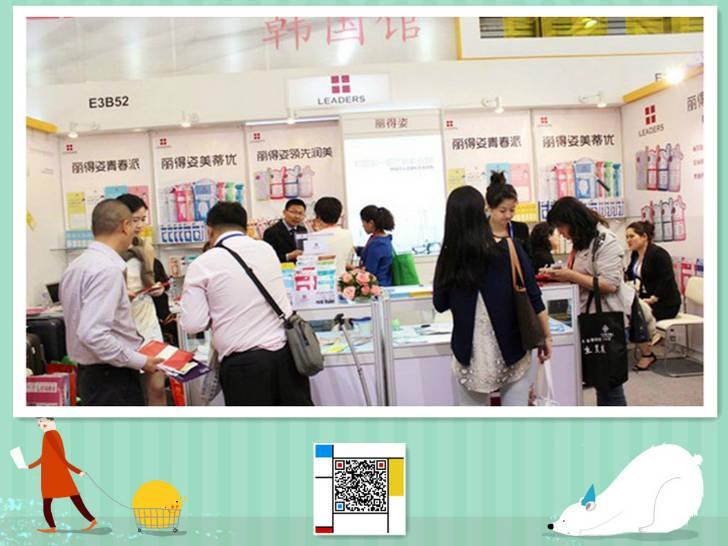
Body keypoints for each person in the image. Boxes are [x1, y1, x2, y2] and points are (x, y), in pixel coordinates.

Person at [179, 202, 313, 406]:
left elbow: (193, 324)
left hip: (244, 366)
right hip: (287, 357)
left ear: (210, 230)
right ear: (244, 226)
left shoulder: (203, 264)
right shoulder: (266, 250)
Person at [433, 186, 552, 407]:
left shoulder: (449, 259)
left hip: (470, 356)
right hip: (513, 349)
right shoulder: (510, 248)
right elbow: (534, 297)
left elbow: (439, 304)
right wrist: (547, 337)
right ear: (483, 211)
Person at [60, 200, 163, 406]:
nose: (137, 230)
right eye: (134, 223)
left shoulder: (77, 265)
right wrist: (141, 361)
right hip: (112, 378)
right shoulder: (107, 270)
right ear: (125, 226)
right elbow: (93, 334)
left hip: (90, 374)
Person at [541, 197, 633, 406]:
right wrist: (558, 275)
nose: (560, 233)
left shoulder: (605, 241)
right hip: (587, 317)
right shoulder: (582, 243)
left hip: (604, 319)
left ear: (573, 221)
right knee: (601, 381)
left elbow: (610, 284)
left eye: (561, 227)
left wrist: (569, 275)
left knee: (609, 384)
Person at [116, 194, 167, 406]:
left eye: (143, 219)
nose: (139, 225)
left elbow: (155, 280)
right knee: (128, 390)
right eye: (135, 220)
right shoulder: (110, 255)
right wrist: (121, 295)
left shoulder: (146, 249)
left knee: (157, 385)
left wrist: (157, 290)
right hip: (123, 326)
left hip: (148, 321)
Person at [625, 220, 681, 371]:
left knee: (636, 313)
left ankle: (647, 354)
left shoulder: (659, 254)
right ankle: (649, 340)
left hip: (665, 303)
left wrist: (654, 297)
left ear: (644, 237)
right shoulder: (635, 255)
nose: (628, 240)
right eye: (627, 237)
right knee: (630, 309)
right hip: (647, 299)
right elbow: (629, 274)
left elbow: (667, 280)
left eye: (632, 236)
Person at [27, 418, 96, 533]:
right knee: (73, 498)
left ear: (50, 420)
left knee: (49, 501)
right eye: (38, 423)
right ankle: (92, 520)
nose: (40, 425)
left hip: (54, 473)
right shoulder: (51, 434)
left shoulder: (50, 435)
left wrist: (77, 471)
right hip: (53, 472)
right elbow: (44, 456)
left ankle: (52, 527)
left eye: (41, 421)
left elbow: (61, 456)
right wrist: (29, 466)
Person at [487, 171, 531, 257]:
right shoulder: (480, 231)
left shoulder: (521, 229)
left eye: (512, 210)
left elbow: (528, 259)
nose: (508, 215)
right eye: (502, 211)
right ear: (490, 208)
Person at [311, 196, 354, 277]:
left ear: (318, 216)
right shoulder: (348, 234)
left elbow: (309, 263)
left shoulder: (313, 237)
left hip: (321, 280)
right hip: (343, 279)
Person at [357, 205, 395, 286]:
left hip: (378, 286)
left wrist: (350, 268)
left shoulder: (378, 244)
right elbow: (370, 252)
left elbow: (369, 272)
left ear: (371, 223)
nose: (363, 225)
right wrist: (357, 249)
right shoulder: (382, 238)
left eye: (363, 222)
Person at [263, 198, 308, 263]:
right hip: (281, 267)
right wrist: (288, 256)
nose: (297, 216)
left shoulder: (302, 230)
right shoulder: (271, 232)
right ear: (284, 212)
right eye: (293, 212)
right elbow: (267, 257)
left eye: (300, 213)